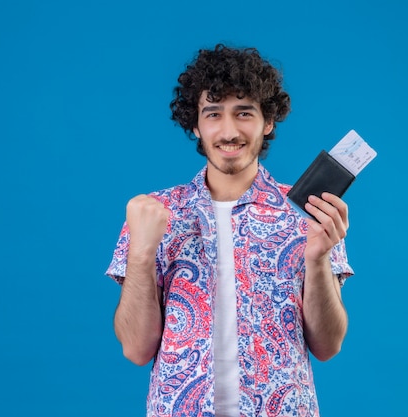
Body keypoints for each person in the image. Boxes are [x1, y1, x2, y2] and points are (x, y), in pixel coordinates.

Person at [105, 43, 354, 417]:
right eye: (213, 113)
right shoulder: (154, 213)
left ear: (267, 121)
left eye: (244, 113)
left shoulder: (307, 212)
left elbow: (328, 346)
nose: (228, 130)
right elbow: (136, 350)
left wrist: (317, 259)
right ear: (195, 123)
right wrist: (141, 253)